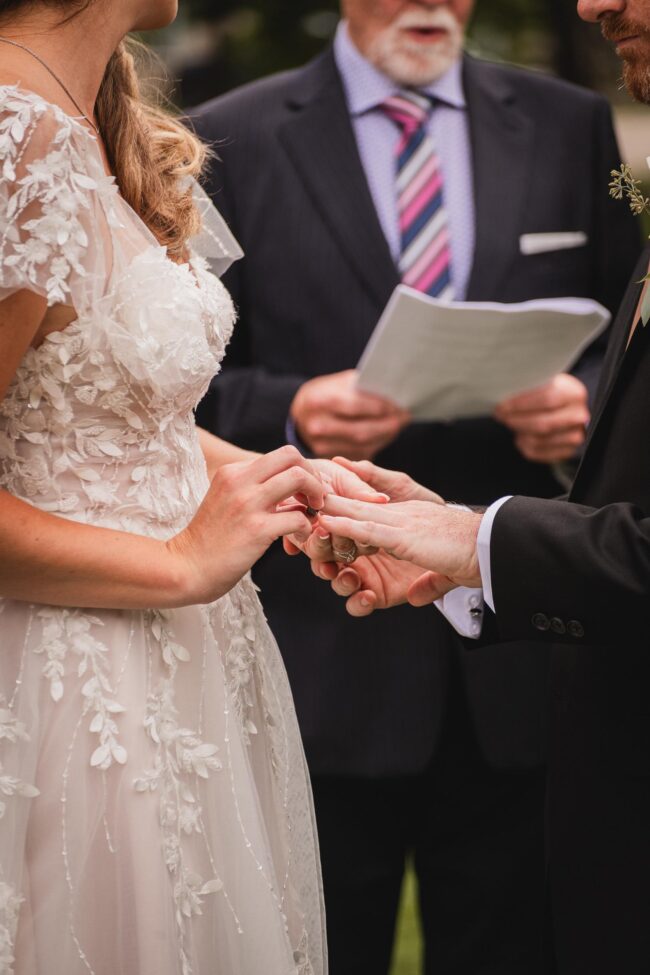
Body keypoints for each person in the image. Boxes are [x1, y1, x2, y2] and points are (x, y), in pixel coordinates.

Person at [189, 1, 639, 972]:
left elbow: (622, 340)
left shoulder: (568, 121)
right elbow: (170, 384)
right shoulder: (229, 136)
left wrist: (580, 403)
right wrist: (293, 407)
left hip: (524, 646)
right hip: (320, 635)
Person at [0, 0, 408, 969]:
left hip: (184, 665)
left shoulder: (97, 112)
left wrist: (287, 481)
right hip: (72, 678)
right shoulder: (15, 137)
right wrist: (182, 561)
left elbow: (107, 413)